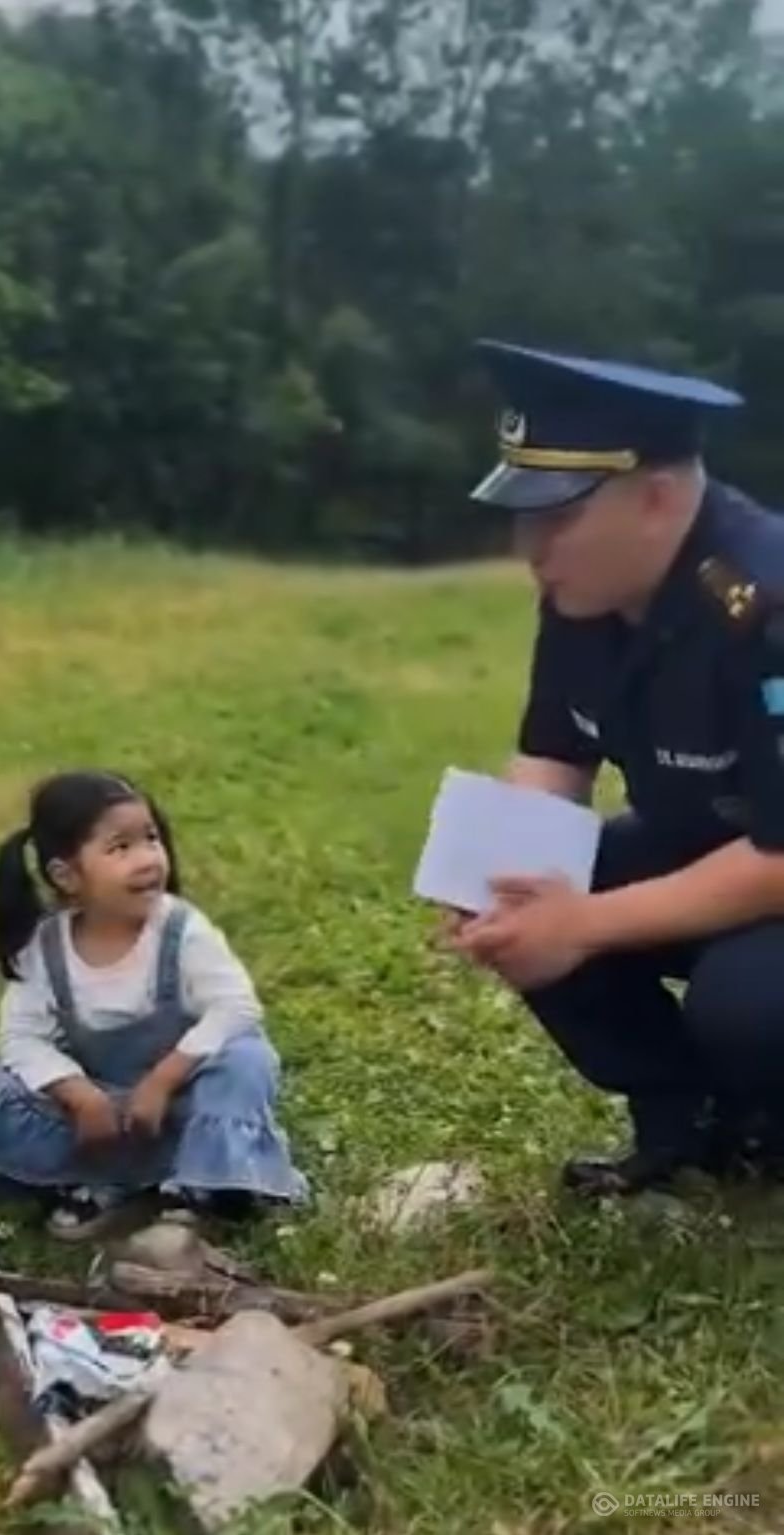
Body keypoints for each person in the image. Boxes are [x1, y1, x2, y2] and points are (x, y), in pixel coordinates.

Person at [445, 337, 784, 1198]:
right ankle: (687, 1124)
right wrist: (504, 885)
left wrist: (584, 922)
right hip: (705, 850)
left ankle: (770, 1124)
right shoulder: (584, 593)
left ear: (658, 498)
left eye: (557, 516)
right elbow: (555, 750)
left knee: (746, 1001)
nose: (531, 544)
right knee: (517, 887)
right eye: (524, 515)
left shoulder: (766, 602)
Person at [0, 769, 308, 1240]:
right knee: (12, 1075)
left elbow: (236, 1007)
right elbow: (22, 1037)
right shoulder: (46, 948)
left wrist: (163, 1080)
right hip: (102, 1110)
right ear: (67, 875)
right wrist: (78, 1094)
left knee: (244, 1058)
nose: (147, 860)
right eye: (121, 847)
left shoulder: (180, 930)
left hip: (178, 1100)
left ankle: (203, 1183)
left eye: (151, 839)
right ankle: (102, 1181)